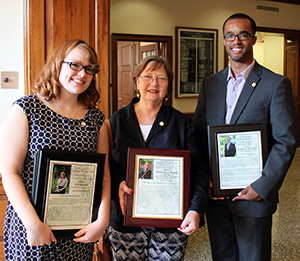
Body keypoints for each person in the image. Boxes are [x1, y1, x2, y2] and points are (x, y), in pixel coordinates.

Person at [194, 13, 298, 261]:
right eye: (230, 35)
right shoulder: (211, 84)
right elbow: (199, 133)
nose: (236, 40)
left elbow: (286, 142)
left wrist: (262, 187)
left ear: (254, 38)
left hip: (253, 197)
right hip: (216, 196)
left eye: (243, 34)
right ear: (223, 40)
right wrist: (205, 177)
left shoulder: (275, 84)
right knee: (222, 256)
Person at [0, 39, 111, 260]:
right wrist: (33, 224)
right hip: (31, 225)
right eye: (75, 65)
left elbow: (104, 176)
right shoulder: (27, 109)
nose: (83, 74)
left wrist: (102, 220)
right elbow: (10, 172)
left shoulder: (96, 119)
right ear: (57, 64)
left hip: (77, 228)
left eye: (90, 69)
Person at [107, 56, 209, 260]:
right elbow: (108, 164)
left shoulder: (182, 124)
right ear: (137, 82)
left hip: (170, 223)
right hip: (125, 220)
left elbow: (198, 170)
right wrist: (118, 182)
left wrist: (196, 208)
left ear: (168, 85)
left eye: (161, 78)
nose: (154, 83)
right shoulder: (116, 121)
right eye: (148, 76)